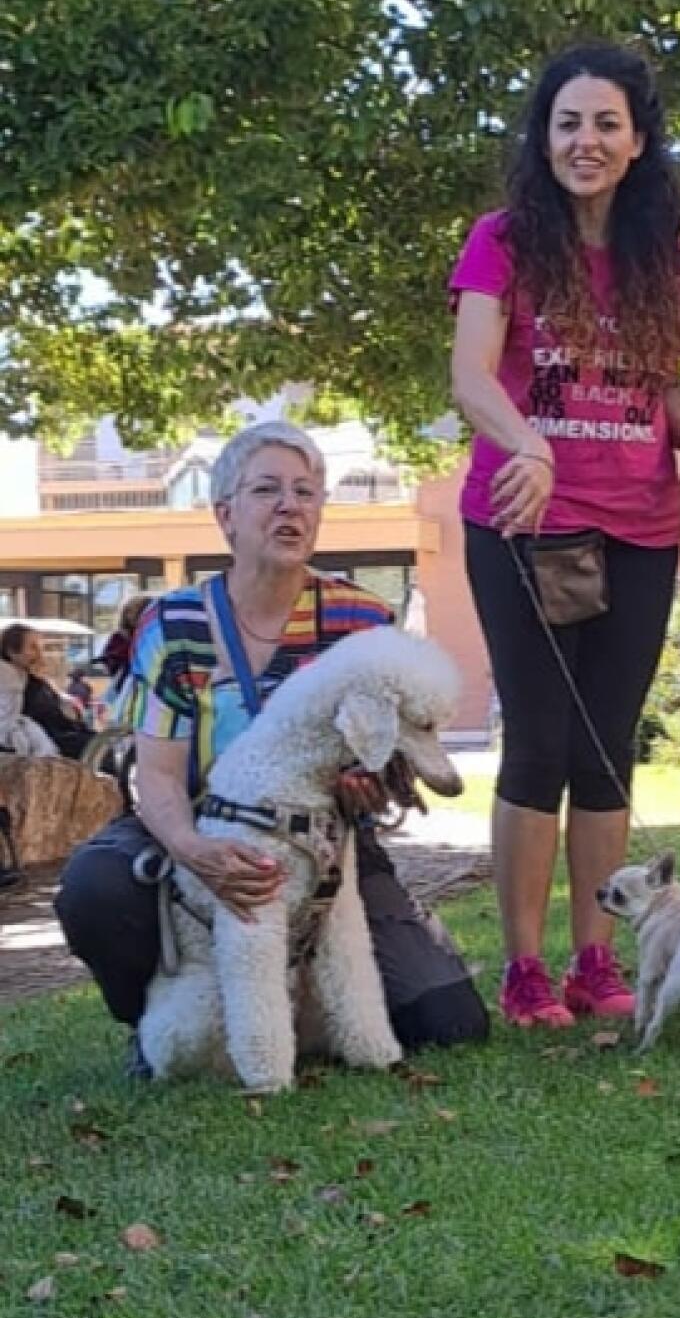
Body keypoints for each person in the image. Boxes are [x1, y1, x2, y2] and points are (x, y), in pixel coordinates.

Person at [450, 41, 680, 1029]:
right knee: (539, 744)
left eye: (606, 123)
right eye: (568, 121)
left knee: (608, 749)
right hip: (526, 523)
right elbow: (471, 375)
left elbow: (662, 386)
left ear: (638, 141)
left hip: (643, 525)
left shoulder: (663, 260)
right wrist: (527, 444)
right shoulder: (503, 240)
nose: (586, 140)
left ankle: (595, 958)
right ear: (544, 137)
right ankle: (524, 969)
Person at [55, 421, 489, 1064]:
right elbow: (159, 776)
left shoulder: (363, 619)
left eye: (305, 492)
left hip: (328, 841)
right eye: (266, 490)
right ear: (225, 514)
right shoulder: (173, 624)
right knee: (95, 887)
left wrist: (371, 791)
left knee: (448, 1022)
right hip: (193, 821)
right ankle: (154, 1021)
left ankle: (305, 1013)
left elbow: (395, 766)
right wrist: (195, 849)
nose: (290, 506)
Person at [0, 624, 91, 759]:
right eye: (33, 647)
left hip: (63, 732)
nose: (39, 653)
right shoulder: (11, 683)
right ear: (12, 652)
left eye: (40, 647)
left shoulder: (31, 679)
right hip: (52, 738)